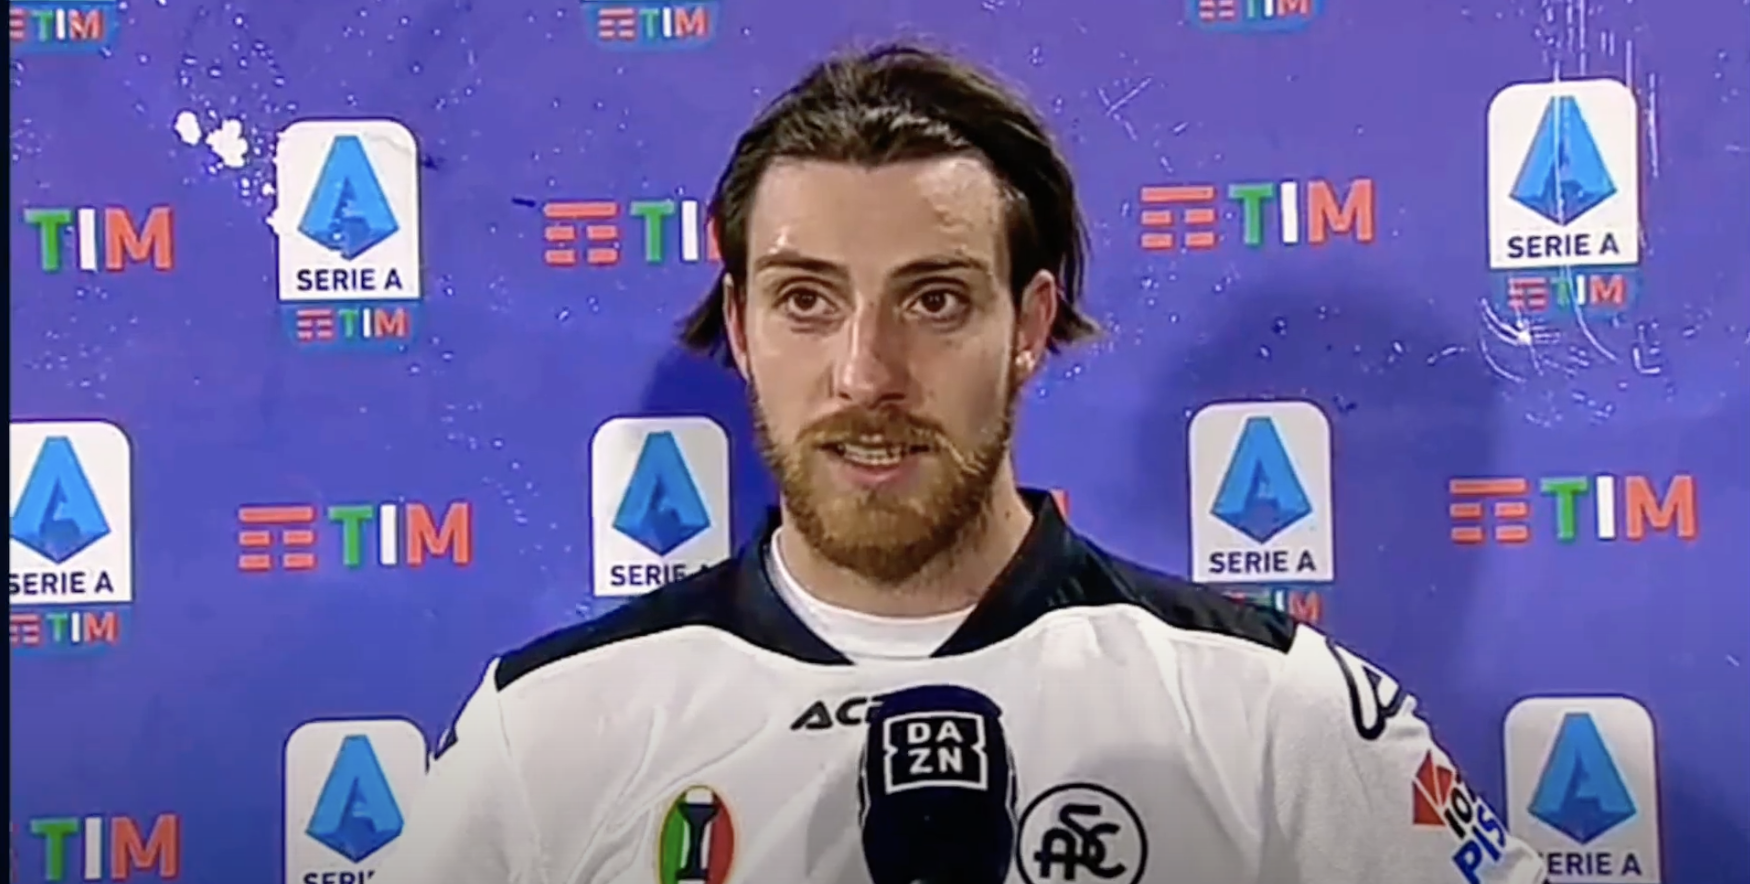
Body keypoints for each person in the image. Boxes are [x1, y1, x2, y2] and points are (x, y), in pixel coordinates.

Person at [375, 43, 1547, 884]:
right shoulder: (547, 732)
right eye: (805, 300)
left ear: (1028, 326)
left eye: (933, 299)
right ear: (740, 328)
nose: (865, 373)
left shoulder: (1273, 711)